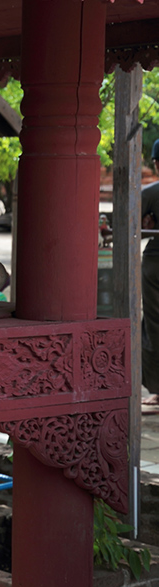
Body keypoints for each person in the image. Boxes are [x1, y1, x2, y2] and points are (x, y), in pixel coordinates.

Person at [142, 141, 159, 407]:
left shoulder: (151, 192)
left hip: (156, 263)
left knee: (155, 326)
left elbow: (130, 227)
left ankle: (157, 390)